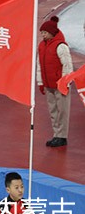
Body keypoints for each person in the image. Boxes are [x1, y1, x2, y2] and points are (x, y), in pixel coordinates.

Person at [37, 16, 73, 148]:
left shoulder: (60, 46)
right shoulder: (42, 46)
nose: (43, 34)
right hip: (49, 85)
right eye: (42, 32)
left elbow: (67, 65)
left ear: (52, 32)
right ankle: (56, 134)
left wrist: (64, 82)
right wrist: (41, 82)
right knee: (53, 111)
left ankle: (62, 136)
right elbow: (39, 65)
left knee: (62, 111)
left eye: (44, 32)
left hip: (59, 85)